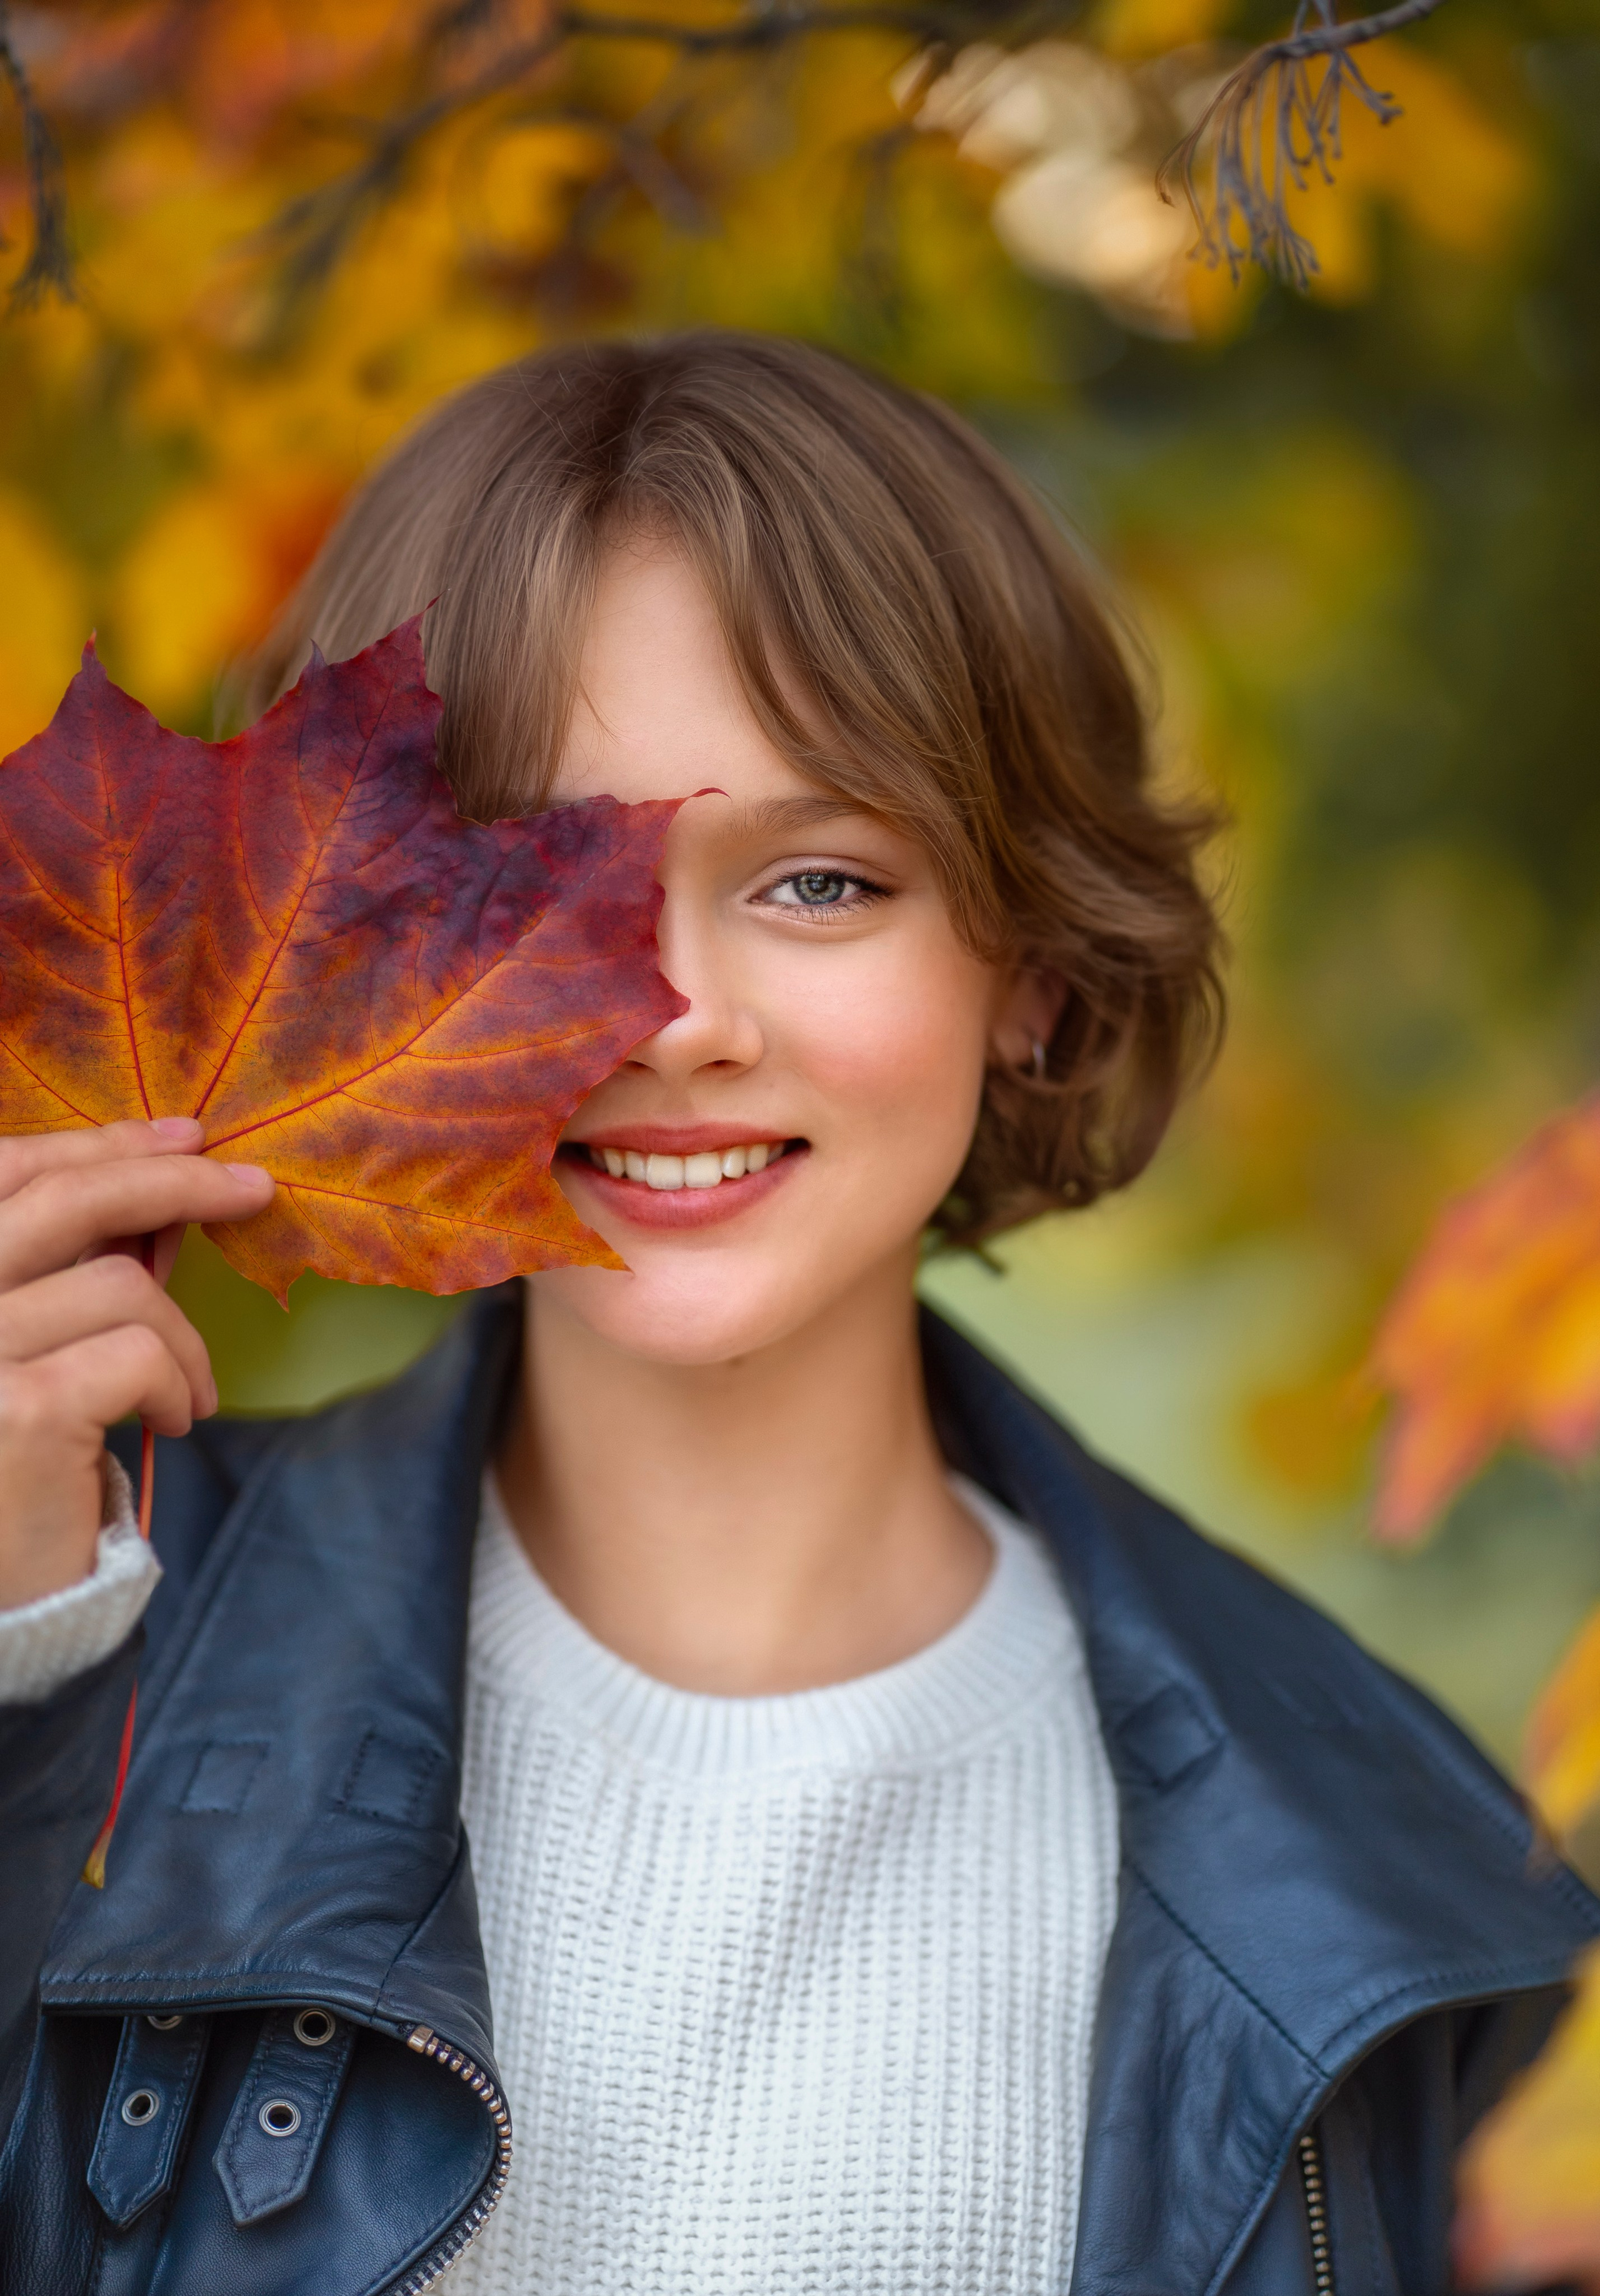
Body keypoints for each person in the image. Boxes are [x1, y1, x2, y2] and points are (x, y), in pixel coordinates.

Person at [0, 333, 1592, 2296]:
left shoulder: (1401, 1886)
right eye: (532, 884)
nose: (675, 1017)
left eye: (822, 881)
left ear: (1029, 963)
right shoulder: (65, 1682)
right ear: (350, 975)